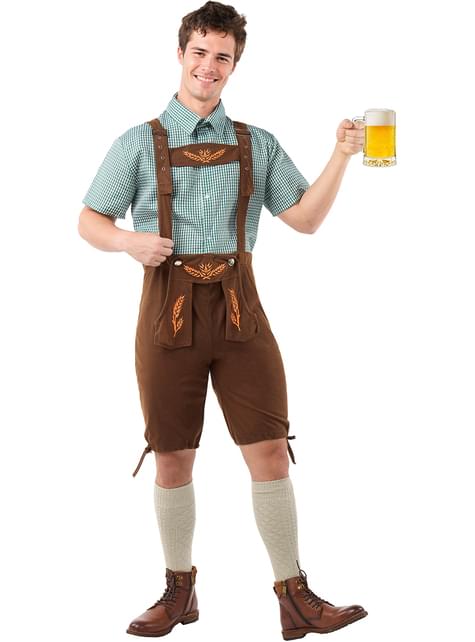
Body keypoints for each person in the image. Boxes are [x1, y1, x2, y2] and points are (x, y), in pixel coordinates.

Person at [78, 2, 368, 638]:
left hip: (242, 311)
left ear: (235, 65)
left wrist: (342, 155)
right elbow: (89, 220)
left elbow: (305, 220)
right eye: (201, 52)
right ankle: (178, 592)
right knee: (172, 458)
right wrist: (129, 242)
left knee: (270, 448)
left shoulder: (256, 143)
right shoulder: (139, 141)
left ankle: (294, 597)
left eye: (223, 57)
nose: (209, 66)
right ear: (181, 53)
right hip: (167, 311)